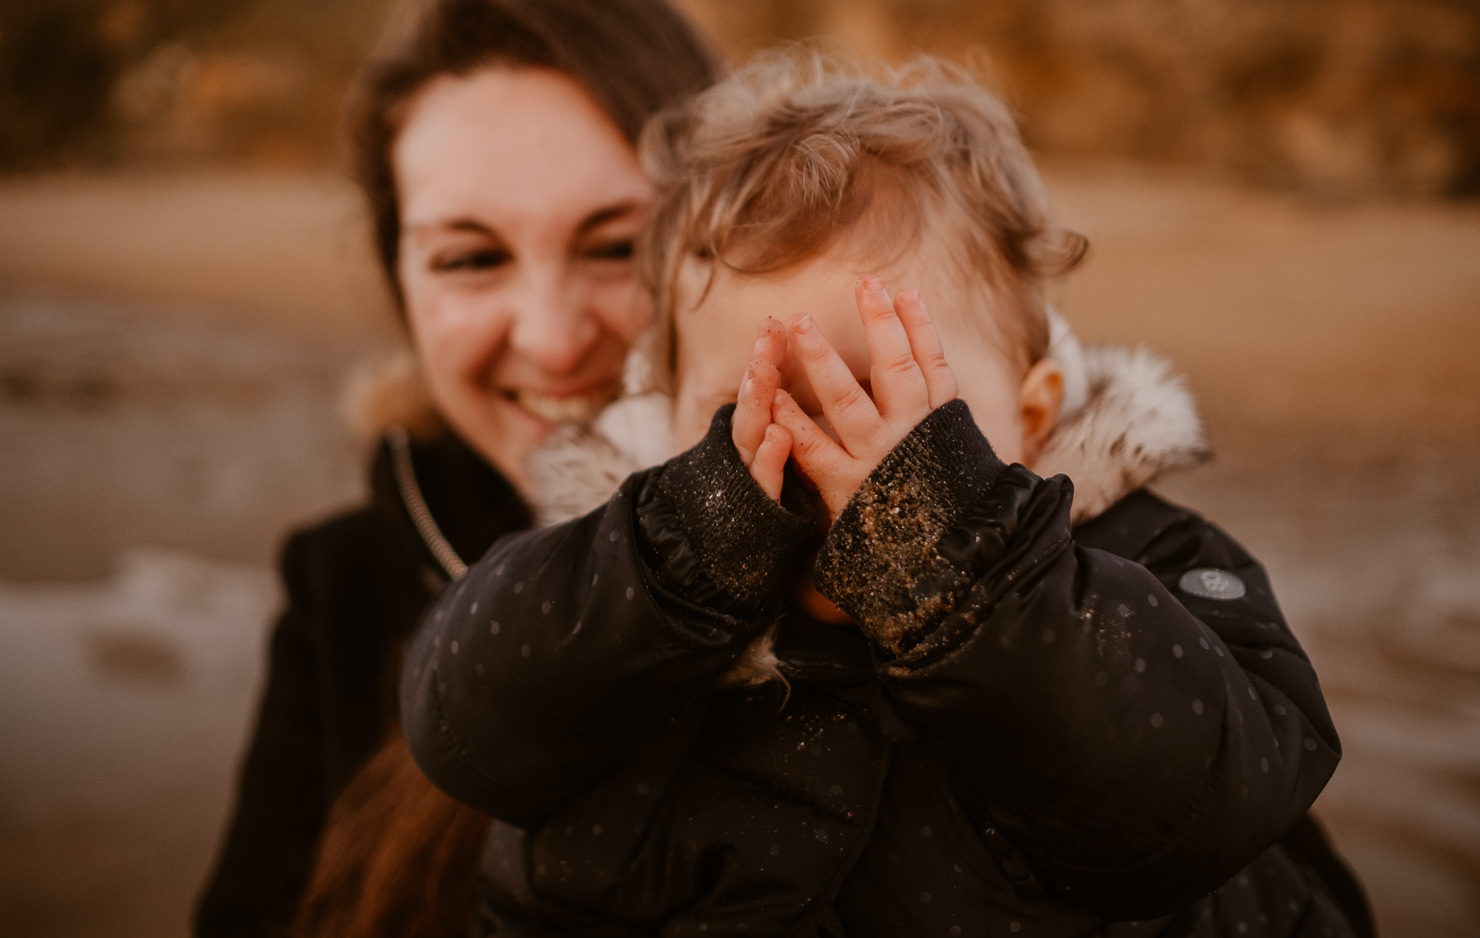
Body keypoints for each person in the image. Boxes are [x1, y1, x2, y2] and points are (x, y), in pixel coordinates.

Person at [402, 53, 1374, 937]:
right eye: (753, 410)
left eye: (887, 402)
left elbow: (1222, 796)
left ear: (1033, 416)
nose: (830, 460)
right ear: (666, 426)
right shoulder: (625, 575)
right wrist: (685, 539)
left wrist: (959, 562)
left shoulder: (1135, 562)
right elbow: (462, 726)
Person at [193, 2, 719, 936]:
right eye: (471, 258)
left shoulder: (925, 580)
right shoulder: (340, 585)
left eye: (617, 246)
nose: (554, 342)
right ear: (403, 287)